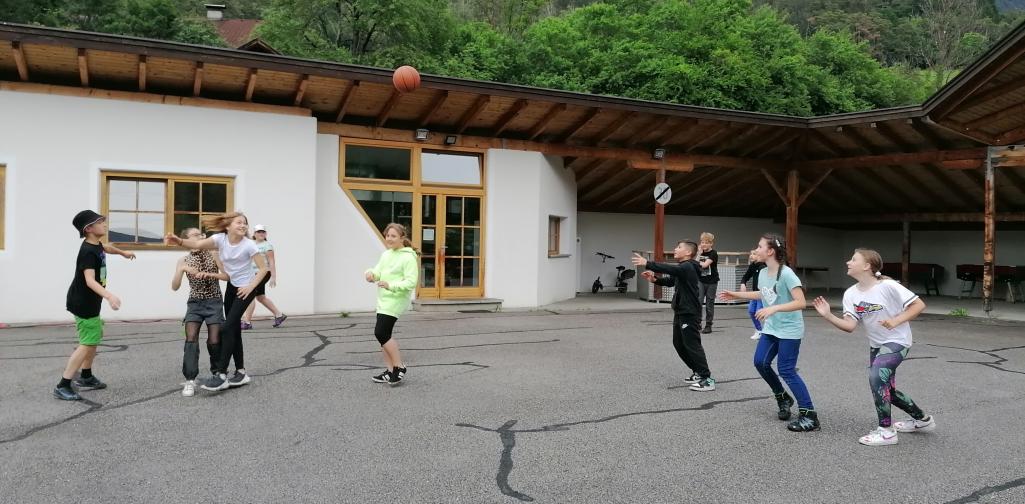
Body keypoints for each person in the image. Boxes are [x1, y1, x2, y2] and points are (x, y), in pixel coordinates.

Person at [812, 249, 936, 446]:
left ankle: (886, 431)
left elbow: (919, 305)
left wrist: (896, 321)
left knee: (876, 377)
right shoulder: (850, 294)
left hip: (898, 341)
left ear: (867, 266)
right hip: (876, 346)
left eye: (853, 259)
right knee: (887, 390)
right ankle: (922, 420)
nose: (848, 262)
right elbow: (850, 326)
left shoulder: (888, 286)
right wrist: (827, 315)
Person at [721, 233, 820, 432]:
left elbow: (801, 302)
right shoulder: (764, 273)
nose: (756, 250)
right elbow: (763, 294)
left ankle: (809, 415)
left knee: (786, 370)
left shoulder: (787, 274)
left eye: (759, 246)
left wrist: (773, 309)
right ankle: (782, 397)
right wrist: (736, 294)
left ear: (770, 251)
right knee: (760, 362)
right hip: (772, 328)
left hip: (789, 330)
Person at [164, 212, 270, 392]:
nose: (243, 225)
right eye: (239, 222)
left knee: (227, 328)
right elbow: (196, 244)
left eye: (245, 223)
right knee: (234, 328)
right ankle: (241, 372)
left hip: (246, 289)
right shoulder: (220, 239)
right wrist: (178, 241)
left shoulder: (249, 245)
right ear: (228, 226)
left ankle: (221, 374)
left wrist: (251, 287)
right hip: (232, 287)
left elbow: (264, 269)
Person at [55, 210, 136, 401]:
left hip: (90, 302)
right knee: (87, 343)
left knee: (93, 337)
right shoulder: (87, 252)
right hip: (83, 303)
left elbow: (106, 248)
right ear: (89, 228)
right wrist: (109, 296)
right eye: (100, 222)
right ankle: (63, 385)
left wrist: (123, 253)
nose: (105, 224)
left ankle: (86, 376)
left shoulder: (96, 245)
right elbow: (90, 280)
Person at [632, 241, 715, 391]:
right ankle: (697, 371)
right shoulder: (684, 269)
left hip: (689, 312)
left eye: (679, 247)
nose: (675, 249)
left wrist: (648, 263)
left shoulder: (688, 265)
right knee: (678, 343)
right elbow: (671, 281)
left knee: (692, 344)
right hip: (681, 311)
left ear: (688, 253)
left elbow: (669, 269)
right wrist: (655, 279)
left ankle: (706, 378)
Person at [171, 227, 228, 397]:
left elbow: (227, 276)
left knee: (214, 340)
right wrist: (181, 270)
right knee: (191, 338)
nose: (201, 236)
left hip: (214, 301)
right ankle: (190, 380)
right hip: (194, 304)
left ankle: (218, 373)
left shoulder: (213, 254)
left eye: (201, 234)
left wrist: (210, 275)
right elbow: (174, 287)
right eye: (196, 235)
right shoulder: (183, 260)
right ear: (187, 239)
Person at [364, 223, 419, 386]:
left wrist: (391, 285)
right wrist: (370, 274)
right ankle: (390, 371)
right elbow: (378, 271)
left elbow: (411, 282)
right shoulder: (386, 254)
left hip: (396, 300)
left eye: (393, 236)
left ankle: (399, 366)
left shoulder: (408, 257)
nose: (389, 239)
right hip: (383, 299)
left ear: (402, 238)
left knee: (380, 332)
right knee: (383, 335)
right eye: (388, 235)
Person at [241, 224, 286, 330]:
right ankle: (279, 315)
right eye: (258, 232)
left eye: (263, 232)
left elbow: (271, 262)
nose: (261, 234)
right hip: (253, 274)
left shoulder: (267, 246)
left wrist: (273, 277)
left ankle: (247, 322)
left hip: (263, 273)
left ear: (265, 234)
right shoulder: (251, 244)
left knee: (250, 295)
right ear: (254, 234)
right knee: (260, 297)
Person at [740, 250, 767, 340]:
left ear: (759, 255)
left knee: (759, 312)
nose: (751, 256)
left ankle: (768, 332)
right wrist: (743, 283)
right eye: (750, 254)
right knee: (752, 311)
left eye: (754, 254)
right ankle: (759, 330)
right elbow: (745, 276)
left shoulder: (763, 266)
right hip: (754, 294)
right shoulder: (752, 266)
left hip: (762, 294)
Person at [697, 232, 719, 334]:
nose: (703, 244)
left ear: (711, 244)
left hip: (712, 281)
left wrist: (697, 261)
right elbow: (694, 262)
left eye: (706, 242)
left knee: (710, 303)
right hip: (701, 280)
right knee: (698, 301)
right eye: (702, 242)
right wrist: (698, 253)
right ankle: (698, 323)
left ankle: (708, 325)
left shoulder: (713, 253)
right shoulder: (700, 253)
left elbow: (705, 265)